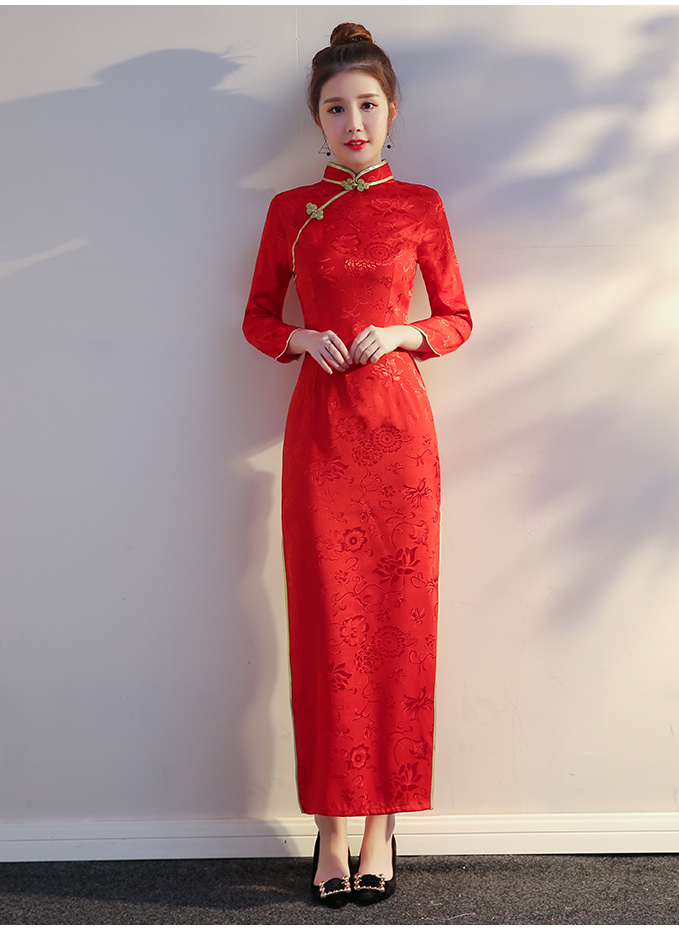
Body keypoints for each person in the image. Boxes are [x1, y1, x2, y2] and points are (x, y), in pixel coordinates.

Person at [243, 22, 472, 907]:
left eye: (368, 105)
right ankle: (331, 830)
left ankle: (383, 827)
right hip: (322, 438)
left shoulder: (421, 205)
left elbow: (456, 316)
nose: (353, 122)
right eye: (336, 108)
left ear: (392, 111)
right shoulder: (288, 211)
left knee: (400, 625)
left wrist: (404, 333)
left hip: (401, 439)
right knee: (326, 626)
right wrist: (300, 337)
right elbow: (259, 315)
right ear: (317, 118)